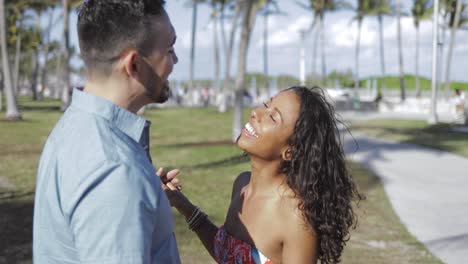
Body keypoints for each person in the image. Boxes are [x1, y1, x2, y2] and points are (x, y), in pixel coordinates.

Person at [33, 0, 181, 263]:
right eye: (169, 49)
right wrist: (128, 189)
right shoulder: (116, 171)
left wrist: (145, 194)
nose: (175, 60)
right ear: (134, 64)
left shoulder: (75, 125)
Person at [162, 86, 362, 263]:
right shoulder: (241, 185)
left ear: (290, 151)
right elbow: (228, 255)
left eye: (273, 117)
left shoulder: (296, 218)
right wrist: (182, 204)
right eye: (265, 105)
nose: (256, 112)